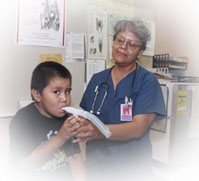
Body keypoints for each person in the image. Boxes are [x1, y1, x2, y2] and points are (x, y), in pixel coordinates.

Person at [76, 19, 167, 180]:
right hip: (97, 165)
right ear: (113, 42)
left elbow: (139, 127)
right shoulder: (98, 79)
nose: (123, 47)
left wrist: (99, 131)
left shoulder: (147, 82)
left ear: (140, 52)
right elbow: (87, 116)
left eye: (132, 44)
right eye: (120, 40)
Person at [9, 61, 86, 181]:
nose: (64, 99)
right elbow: (24, 165)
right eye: (56, 92)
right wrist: (61, 137)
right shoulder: (23, 120)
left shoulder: (66, 119)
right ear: (37, 95)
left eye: (67, 91)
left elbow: (75, 158)